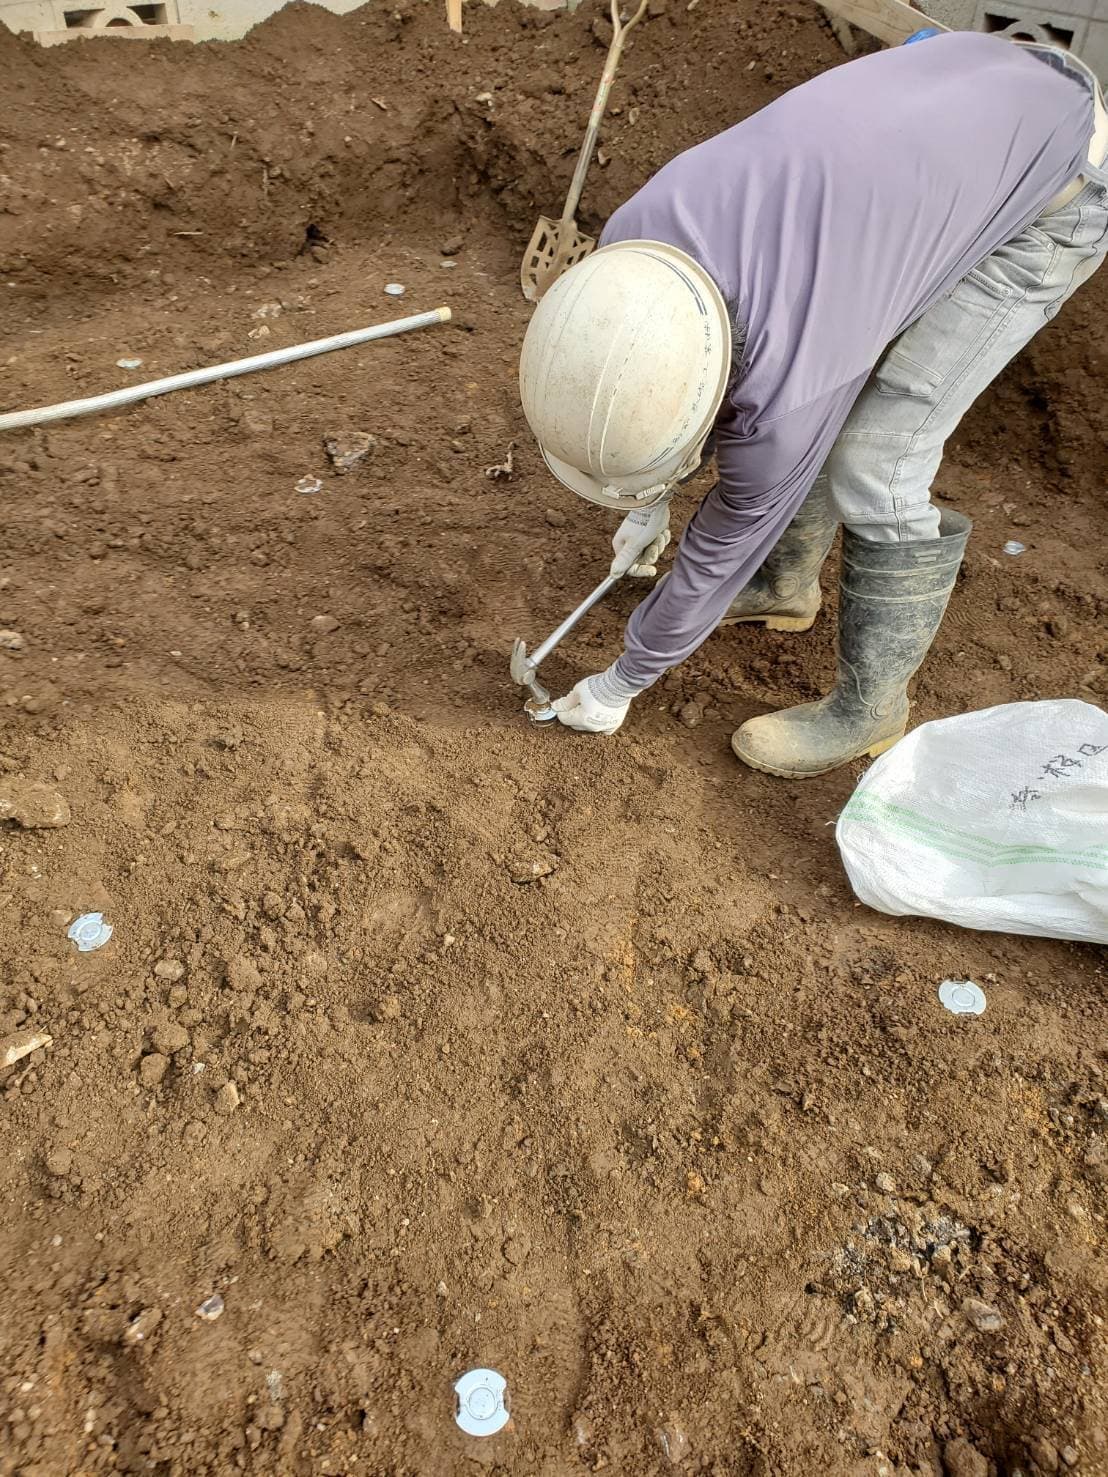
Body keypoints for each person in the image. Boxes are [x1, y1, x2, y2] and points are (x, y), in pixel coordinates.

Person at [518, 30, 1108, 777]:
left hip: (1056, 176)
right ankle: (783, 585)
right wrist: (647, 502)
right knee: (832, 381)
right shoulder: (632, 244)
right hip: (968, 89)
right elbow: (647, 374)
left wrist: (621, 681)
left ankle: (870, 709)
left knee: (876, 458)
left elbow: (729, 528)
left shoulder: (785, 389)